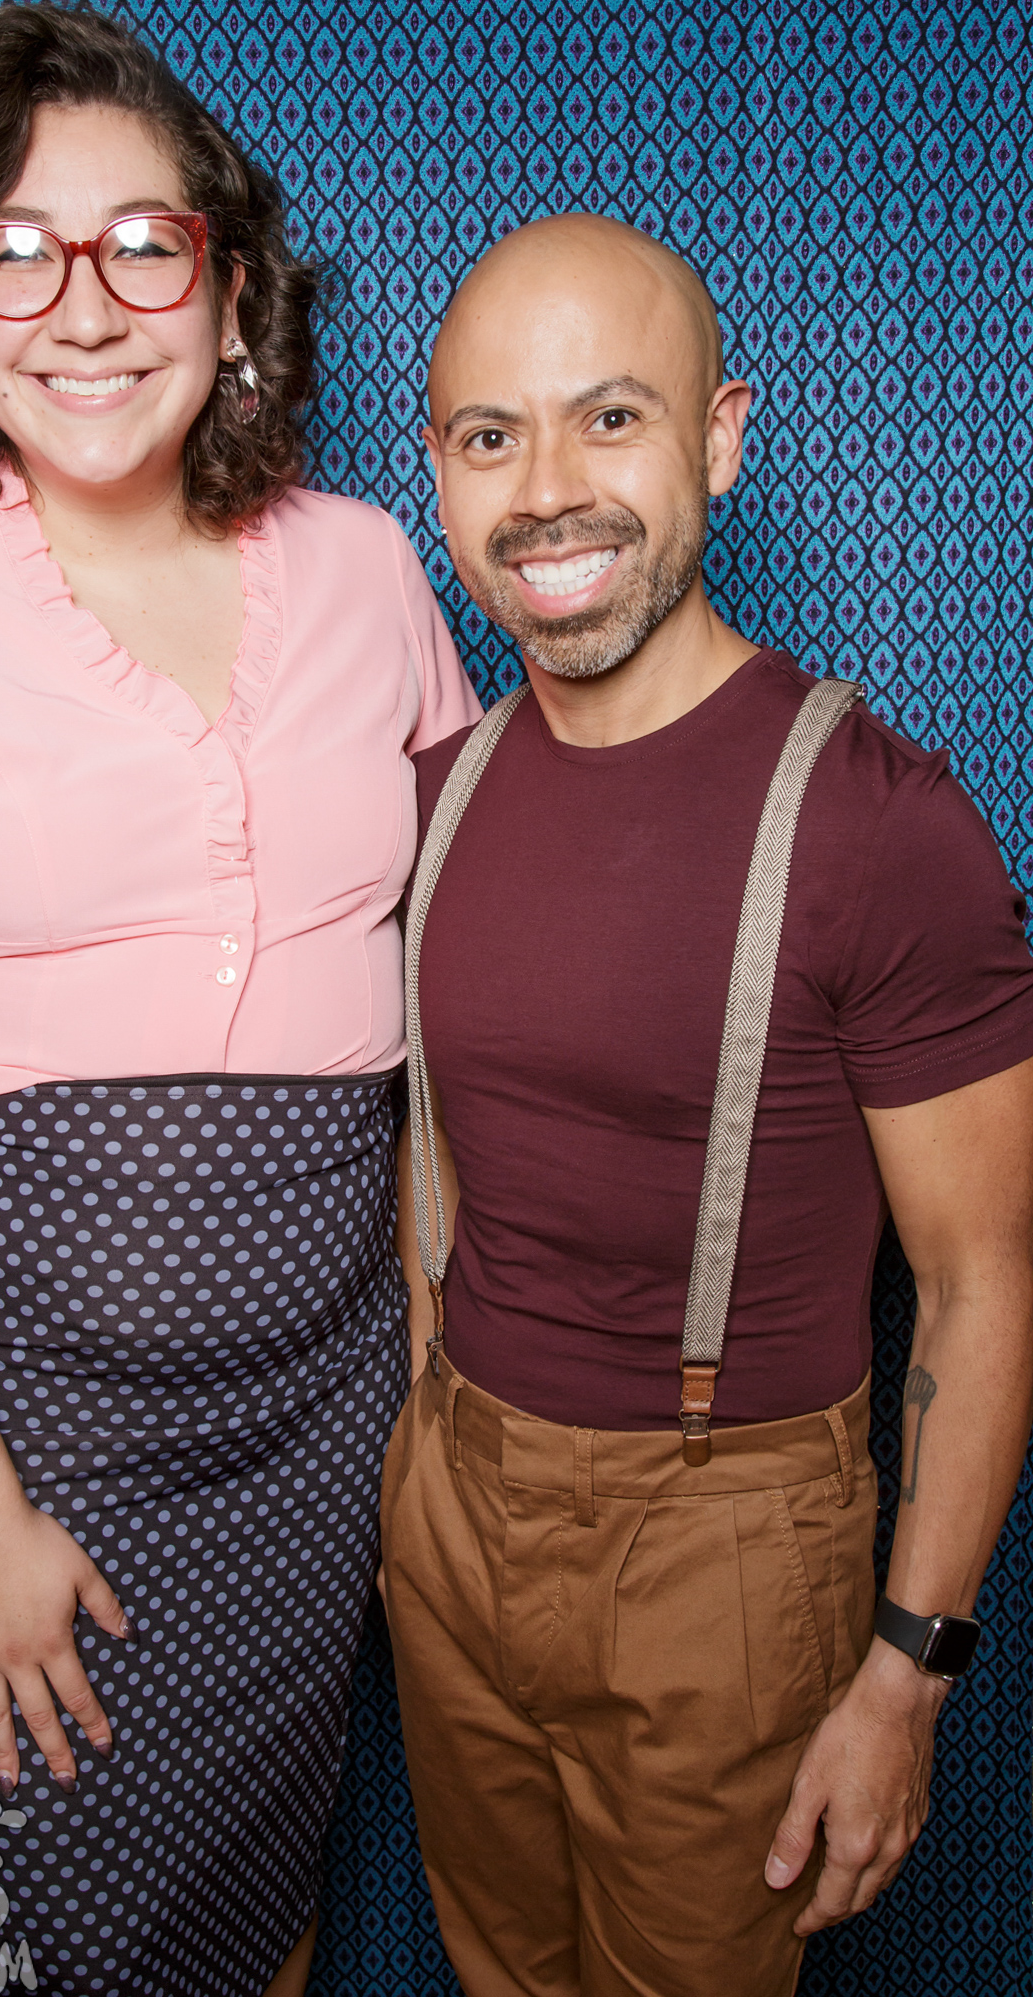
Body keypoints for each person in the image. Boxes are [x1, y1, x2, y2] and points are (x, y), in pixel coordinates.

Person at [0, 5, 478, 1997]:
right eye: (18, 252)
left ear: (229, 297)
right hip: (18, 1430)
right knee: (65, 1935)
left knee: (268, 1899)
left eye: (145, 244)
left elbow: (457, 992)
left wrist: (433, 1359)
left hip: (329, 1418)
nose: (86, 305)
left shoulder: (372, 572)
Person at [381, 213, 1033, 1997]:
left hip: (723, 1550)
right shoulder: (435, 792)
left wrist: (905, 1673)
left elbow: (981, 1282)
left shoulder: (882, 821)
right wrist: (425, 1460)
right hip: (449, 1511)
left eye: (611, 418)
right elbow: (436, 1158)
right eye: (493, 435)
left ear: (721, 438)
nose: (547, 492)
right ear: (439, 469)